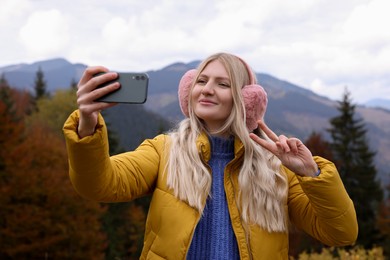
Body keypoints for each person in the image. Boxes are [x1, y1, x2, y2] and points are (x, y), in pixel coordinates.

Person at [63, 52, 358, 259]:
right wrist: (87, 125)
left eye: (223, 83)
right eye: (202, 81)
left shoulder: (277, 169)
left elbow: (341, 234)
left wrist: (312, 175)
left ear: (247, 100)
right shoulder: (162, 151)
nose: (207, 90)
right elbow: (98, 185)